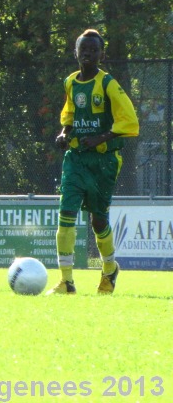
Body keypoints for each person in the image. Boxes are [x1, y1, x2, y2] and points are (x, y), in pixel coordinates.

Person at [46, 29, 139, 295]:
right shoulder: (70, 83)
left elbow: (130, 121)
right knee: (66, 215)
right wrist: (64, 133)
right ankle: (66, 281)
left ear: (101, 54)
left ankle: (109, 270)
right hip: (75, 159)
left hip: (104, 161)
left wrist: (102, 137)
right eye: (83, 49)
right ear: (75, 53)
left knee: (99, 221)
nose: (87, 53)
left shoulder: (108, 83)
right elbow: (69, 115)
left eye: (93, 49)